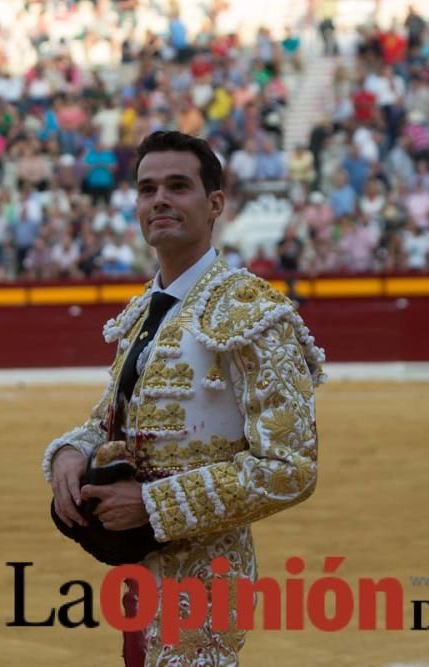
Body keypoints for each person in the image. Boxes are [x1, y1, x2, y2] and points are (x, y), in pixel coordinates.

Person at [42, 131, 325, 666]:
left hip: (206, 583)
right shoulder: (147, 312)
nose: (160, 200)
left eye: (178, 186)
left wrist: (151, 504)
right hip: (139, 570)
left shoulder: (253, 314)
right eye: (147, 189)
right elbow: (109, 421)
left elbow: (291, 467)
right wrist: (71, 453)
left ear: (215, 203)